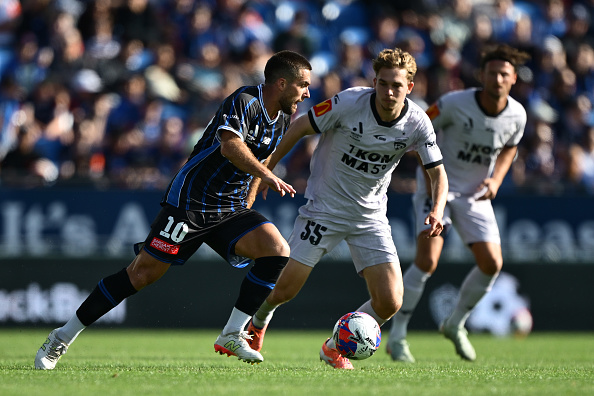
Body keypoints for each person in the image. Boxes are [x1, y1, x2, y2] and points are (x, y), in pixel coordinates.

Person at [34, 50, 312, 369]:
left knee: (276, 250)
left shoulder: (283, 117)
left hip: (230, 207)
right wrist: (268, 176)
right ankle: (61, 337)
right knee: (142, 273)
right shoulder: (246, 101)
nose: (306, 93)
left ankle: (233, 333)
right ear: (281, 83)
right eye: (303, 85)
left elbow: (260, 160)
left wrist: (249, 201)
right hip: (192, 203)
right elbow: (230, 145)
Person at [245, 48, 449, 369]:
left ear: (410, 87)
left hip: (370, 217)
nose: (389, 91)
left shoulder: (418, 123)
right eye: (382, 84)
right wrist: (264, 173)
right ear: (374, 82)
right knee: (285, 289)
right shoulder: (349, 102)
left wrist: (437, 209)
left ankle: (334, 346)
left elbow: (438, 172)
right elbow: (299, 128)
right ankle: (257, 321)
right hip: (324, 209)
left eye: (396, 85)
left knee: (390, 301)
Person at [387, 44, 530, 363]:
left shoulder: (517, 114)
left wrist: (496, 180)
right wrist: (428, 178)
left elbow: (510, 148)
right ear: (481, 75)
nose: (497, 79)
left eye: (503, 74)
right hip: (436, 191)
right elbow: (420, 129)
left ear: (513, 79)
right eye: (491, 73)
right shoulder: (454, 103)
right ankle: (397, 337)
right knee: (427, 263)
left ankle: (455, 323)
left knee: (492, 263)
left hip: (474, 195)